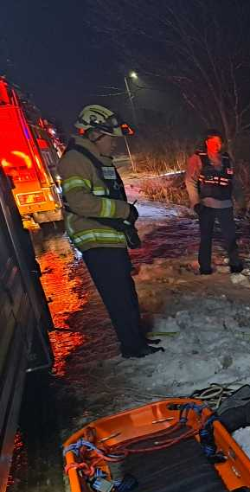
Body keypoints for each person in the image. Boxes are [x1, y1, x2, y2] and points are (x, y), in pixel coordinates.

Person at [58, 105, 162, 359]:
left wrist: (124, 221)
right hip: (96, 240)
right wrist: (122, 210)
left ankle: (136, 339)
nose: (114, 144)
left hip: (108, 238)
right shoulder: (75, 160)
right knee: (117, 297)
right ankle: (132, 347)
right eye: (111, 138)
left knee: (125, 293)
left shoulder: (95, 159)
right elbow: (80, 202)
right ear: (95, 134)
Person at [185, 129, 243, 274]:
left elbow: (236, 184)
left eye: (218, 142)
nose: (216, 145)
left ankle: (235, 263)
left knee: (230, 236)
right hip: (206, 206)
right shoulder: (197, 158)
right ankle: (205, 267)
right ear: (206, 142)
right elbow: (190, 181)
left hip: (226, 205)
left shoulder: (227, 159)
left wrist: (240, 202)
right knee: (206, 237)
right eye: (213, 142)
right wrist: (195, 203)